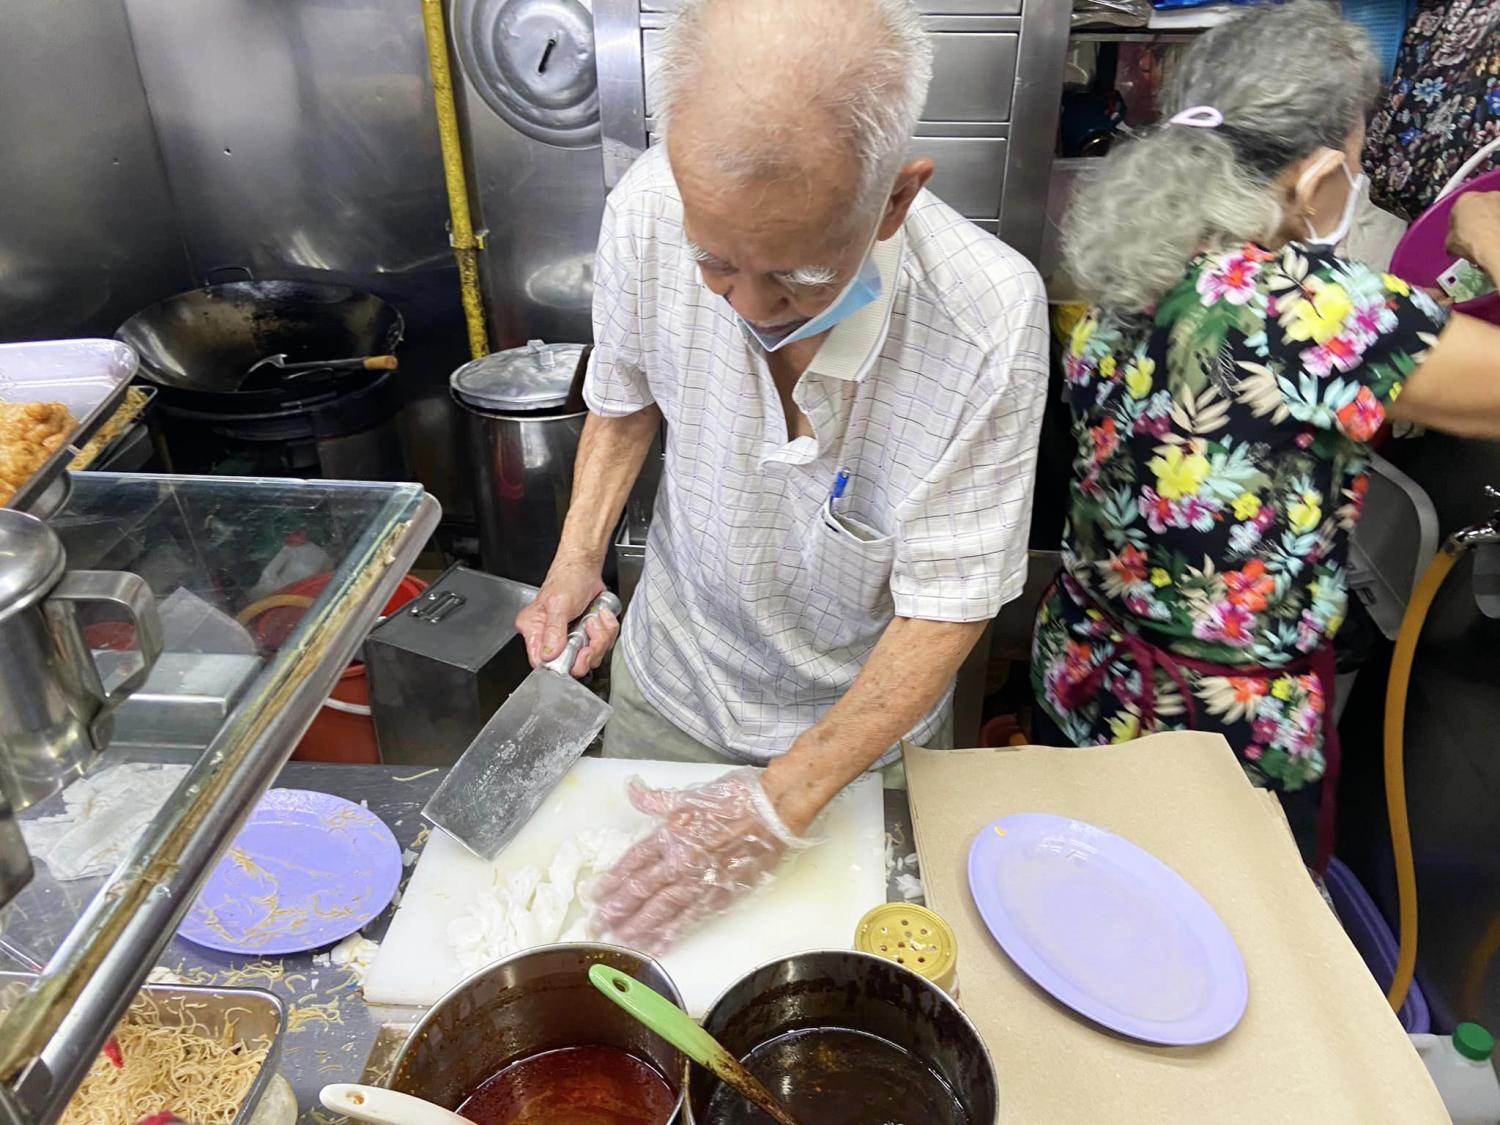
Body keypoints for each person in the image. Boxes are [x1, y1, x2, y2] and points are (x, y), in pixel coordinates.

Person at [515, 0, 1049, 953]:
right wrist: (576, 556)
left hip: (856, 741)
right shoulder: (646, 208)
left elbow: (948, 601)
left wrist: (776, 805)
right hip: (672, 685)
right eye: (716, 262)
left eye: (797, 275)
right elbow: (625, 394)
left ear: (895, 196)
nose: (749, 306)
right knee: (635, 952)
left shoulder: (990, 320)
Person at [1030, 1, 1500, 857]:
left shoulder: (1133, 267)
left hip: (1084, 690)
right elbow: (1332, 344)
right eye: (1357, 160)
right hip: (1220, 751)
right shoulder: (1319, 311)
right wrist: (1484, 229)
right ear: (1321, 176)